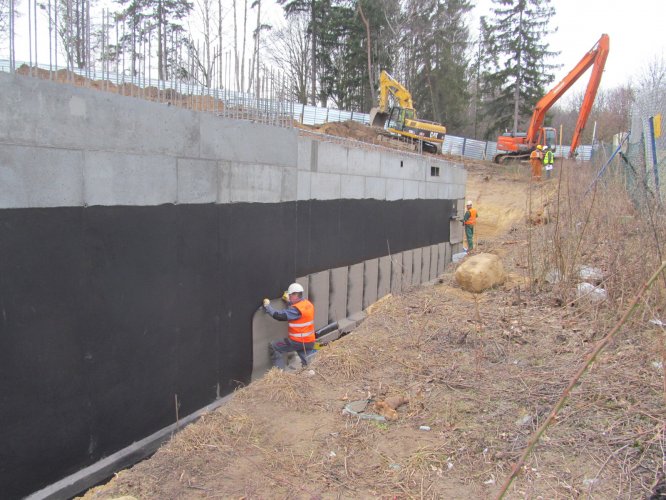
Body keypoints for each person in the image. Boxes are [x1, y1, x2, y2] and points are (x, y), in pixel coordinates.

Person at [263, 283, 316, 370]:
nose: (289, 296)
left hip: (297, 342)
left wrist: (268, 307)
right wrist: (288, 301)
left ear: (296, 294)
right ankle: (310, 372)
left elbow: (279, 316)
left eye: (290, 295)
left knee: (274, 346)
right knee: (308, 362)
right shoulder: (308, 304)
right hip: (309, 341)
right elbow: (296, 311)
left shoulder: (295, 310)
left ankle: (280, 374)